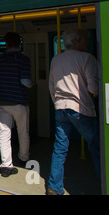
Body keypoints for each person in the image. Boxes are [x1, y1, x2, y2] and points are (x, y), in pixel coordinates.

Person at [47, 28, 100, 195]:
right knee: (97, 147)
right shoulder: (87, 58)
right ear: (76, 41)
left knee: (60, 149)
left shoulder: (56, 59)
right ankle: (104, 183)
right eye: (84, 39)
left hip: (60, 108)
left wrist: (57, 102)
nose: (87, 42)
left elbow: (51, 85)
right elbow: (93, 88)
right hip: (80, 109)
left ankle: (54, 187)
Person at [0, 32, 32, 177]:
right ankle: (24, 158)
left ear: (6, 43)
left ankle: (6, 166)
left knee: (3, 134)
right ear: (19, 43)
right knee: (23, 131)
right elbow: (25, 81)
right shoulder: (23, 59)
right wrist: (32, 84)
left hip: (2, 101)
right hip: (19, 101)